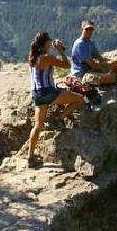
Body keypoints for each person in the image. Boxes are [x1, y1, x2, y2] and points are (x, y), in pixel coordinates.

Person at [27, 31, 84, 166]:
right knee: (79, 99)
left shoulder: (32, 57)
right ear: (46, 43)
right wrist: (60, 50)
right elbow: (66, 65)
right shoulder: (46, 57)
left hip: (37, 94)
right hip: (48, 93)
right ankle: (59, 118)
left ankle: (30, 157)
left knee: (38, 126)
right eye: (49, 40)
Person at [70, 19, 117, 87]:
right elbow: (92, 65)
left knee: (114, 64)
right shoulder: (80, 44)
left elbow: (99, 57)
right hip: (82, 75)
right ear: (82, 29)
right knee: (113, 77)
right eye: (86, 29)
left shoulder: (90, 43)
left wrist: (111, 62)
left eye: (91, 29)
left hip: (91, 70)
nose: (89, 31)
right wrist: (104, 70)